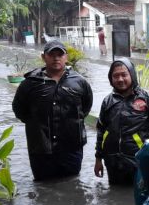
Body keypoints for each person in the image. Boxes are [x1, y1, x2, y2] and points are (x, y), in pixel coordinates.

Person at [12, 40, 93, 181]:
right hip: (41, 150)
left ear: (66, 57)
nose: (56, 58)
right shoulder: (30, 83)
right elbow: (19, 110)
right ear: (44, 57)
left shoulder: (79, 82)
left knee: (72, 185)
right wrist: (36, 124)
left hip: (71, 148)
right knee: (43, 187)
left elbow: (85, 108)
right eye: (52, 54)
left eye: (60, 54)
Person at [94, 59, 149, 185]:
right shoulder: (108, 101)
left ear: (132, 74)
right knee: (114, 196)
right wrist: (98, 159)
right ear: (111, 79)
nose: (120, 79)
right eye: (116, 76)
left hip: (139, 160)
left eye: (124, 75)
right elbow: (101, 131)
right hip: (112, 162)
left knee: (139, 195)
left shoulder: (147, 98)